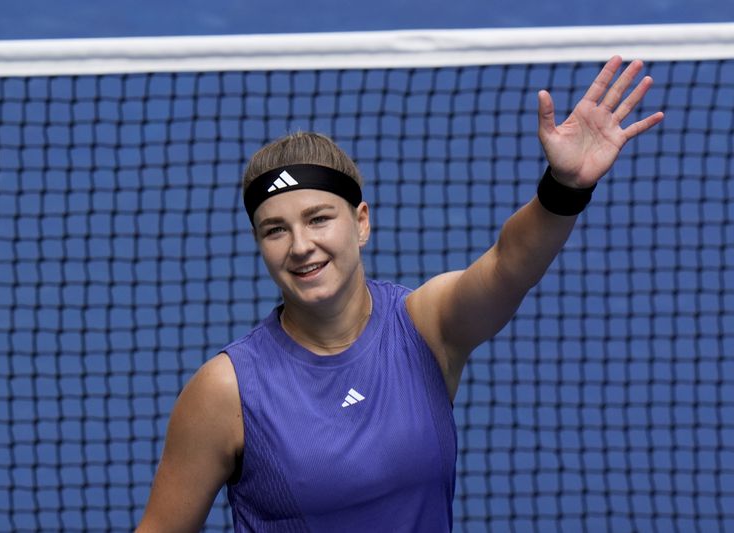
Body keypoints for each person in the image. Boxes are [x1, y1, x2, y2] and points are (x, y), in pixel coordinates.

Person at [136, 56, 663, 532]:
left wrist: (564, 188)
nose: (301, 246)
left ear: (360, 223)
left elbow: (507, 267)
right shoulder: (225, 392)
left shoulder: (426, 328)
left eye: (319, 218)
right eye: (275, 230)